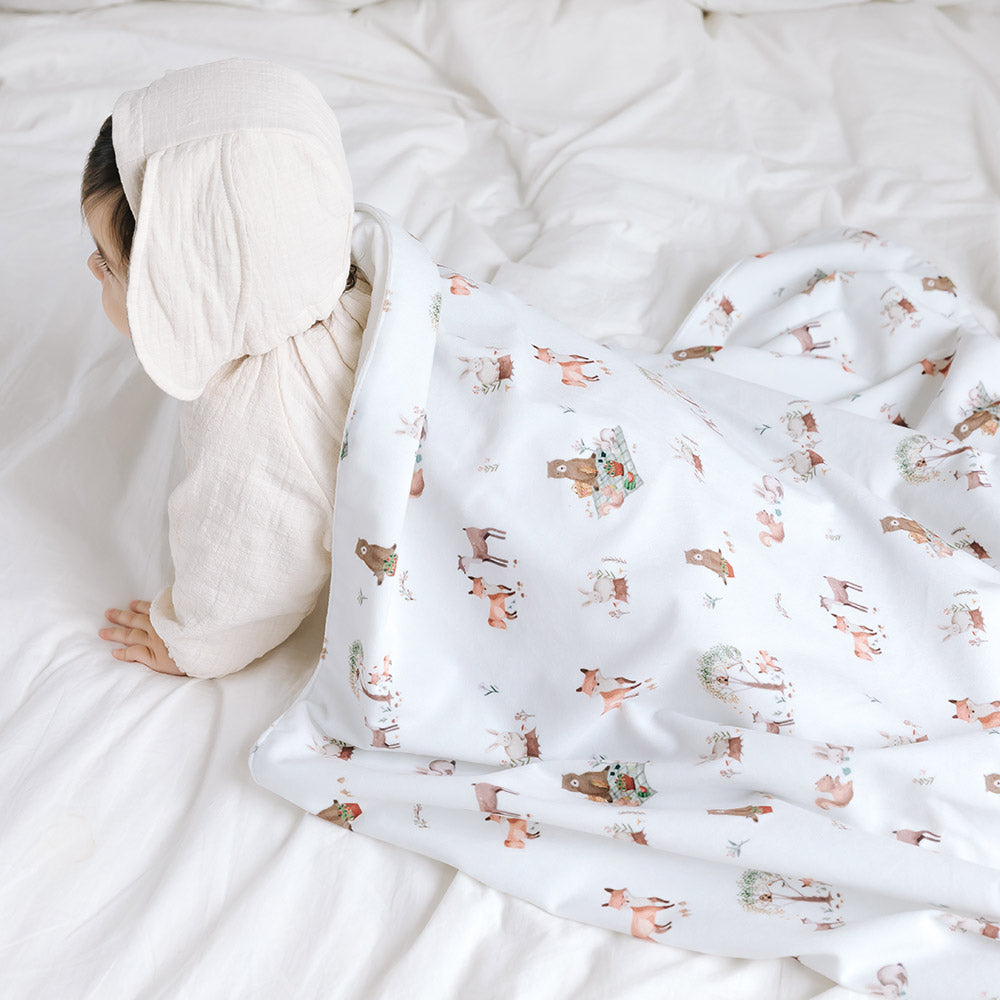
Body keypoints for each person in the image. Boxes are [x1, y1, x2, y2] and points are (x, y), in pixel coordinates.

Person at [85, 59, 372, 678]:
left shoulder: (257, 421)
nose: (91, 268)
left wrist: (193, 641)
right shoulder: (346, 264)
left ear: (192, 290)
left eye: (108, 265)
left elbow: (245, 569)